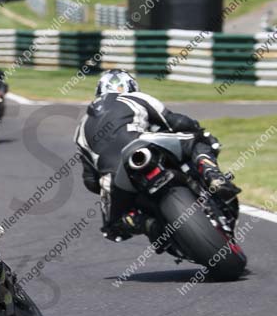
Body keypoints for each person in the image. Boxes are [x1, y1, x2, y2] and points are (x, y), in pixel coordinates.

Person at [75, 69, 240, 242]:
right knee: (200, 139)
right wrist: (195, 128)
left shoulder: (81, 127)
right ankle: (212, 175)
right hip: (142, 143)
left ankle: (146, 223)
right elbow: (177, 121)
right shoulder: (135, 97)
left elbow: (90, 181)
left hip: (112, 176)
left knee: (113, 227)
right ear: (131, 86)